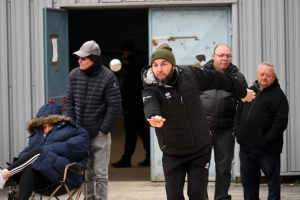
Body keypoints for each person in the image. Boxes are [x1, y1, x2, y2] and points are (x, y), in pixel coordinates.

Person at [141, 43, 255, 200]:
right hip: (173, 152)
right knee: (174, 196)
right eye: (155, 65)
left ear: (172, 65)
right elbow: (150, 104)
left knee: (197, 194)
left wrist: (241, 91)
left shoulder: (191, 74)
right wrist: (153, 117)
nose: (159, 69)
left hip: (199, 149)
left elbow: (219, 79)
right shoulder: (150, 88)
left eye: (164, 64)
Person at [67, 40, 122, 200]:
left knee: (100, 174)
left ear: (94, 58)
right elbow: (70, 102)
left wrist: (103, 129)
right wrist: (74, 126)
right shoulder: (74, 75)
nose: (79, 60)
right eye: (79, 57)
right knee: (86, 173)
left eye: (83, 58)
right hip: (80, 134)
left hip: (99, 135)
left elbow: (115, 106)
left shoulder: (108, 77)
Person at [0, 103, 89, 200]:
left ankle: (3, 175)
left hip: (65, 177)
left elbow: (74, 148)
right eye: (43, 127)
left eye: (49, 125)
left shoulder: (75, 131)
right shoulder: (37, 135)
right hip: (43, 178)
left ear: (58, 122)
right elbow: (24, 153)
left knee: (38, 151)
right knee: (28, 168)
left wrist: (42, 151)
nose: (46, 130)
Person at [234, 62, 289, 200]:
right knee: (249, 184)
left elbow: (280, 123)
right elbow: (238, 113)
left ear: (274, 77)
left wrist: (266, 141)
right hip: (246, 150)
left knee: (273, 182)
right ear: (256, 75)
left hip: (268, 151)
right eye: (261, 74)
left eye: (268, 75)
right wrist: (238, 132)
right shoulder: (249, 91)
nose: (264, 78)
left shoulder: (278, 96)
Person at [199, 44, 248, 200]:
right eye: (221, 55)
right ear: (213, 56)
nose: (225, 58)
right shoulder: (201, 75)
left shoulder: (238, 78)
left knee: (224, 169)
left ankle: (221, 197)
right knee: (200, 169)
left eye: (228, 56)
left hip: (226, 131)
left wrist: (237, 125)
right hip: (202, 131)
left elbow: (244, 104)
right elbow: (190, 100)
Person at [111, 40, 150, 168]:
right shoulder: (140, 63)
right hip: (140, 104)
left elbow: (130, 86)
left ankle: (126, 159)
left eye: (124, 53)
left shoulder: (133, 66)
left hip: (132, 104)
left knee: (131, 133)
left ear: (128, 52)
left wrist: (124, 102)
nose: (124, 55)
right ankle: (149, 157)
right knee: (143, 132)